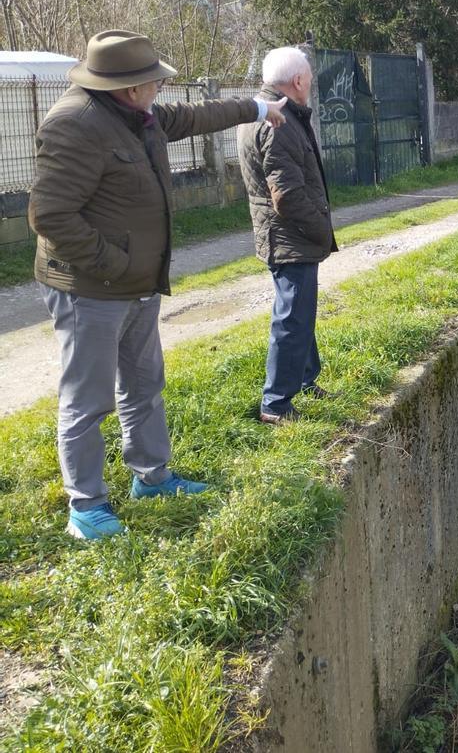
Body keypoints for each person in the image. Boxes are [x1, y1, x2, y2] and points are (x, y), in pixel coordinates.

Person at [28, 29, 287, 541]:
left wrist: (256, 108)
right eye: (154, 82)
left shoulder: (137, 117)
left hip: (137, 284)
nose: (161, 89)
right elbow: (50, 214)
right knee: (88, 398)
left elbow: (194, 116)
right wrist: (116, 264)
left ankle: (152, 476)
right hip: (91, 290)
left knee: (144, 385)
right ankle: (87, 506)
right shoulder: (76, 125)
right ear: (128, 88)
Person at [236, 47, 337, 425]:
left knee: (300, 310)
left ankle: (306, 379)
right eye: (309, 78)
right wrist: (321, 230)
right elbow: (288, 196)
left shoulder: (269, 110)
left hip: (286, 236)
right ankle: (276, 403)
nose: (310, 83)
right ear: (298, 81)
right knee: (292, 318)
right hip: (289, 238)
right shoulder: (277, 122)